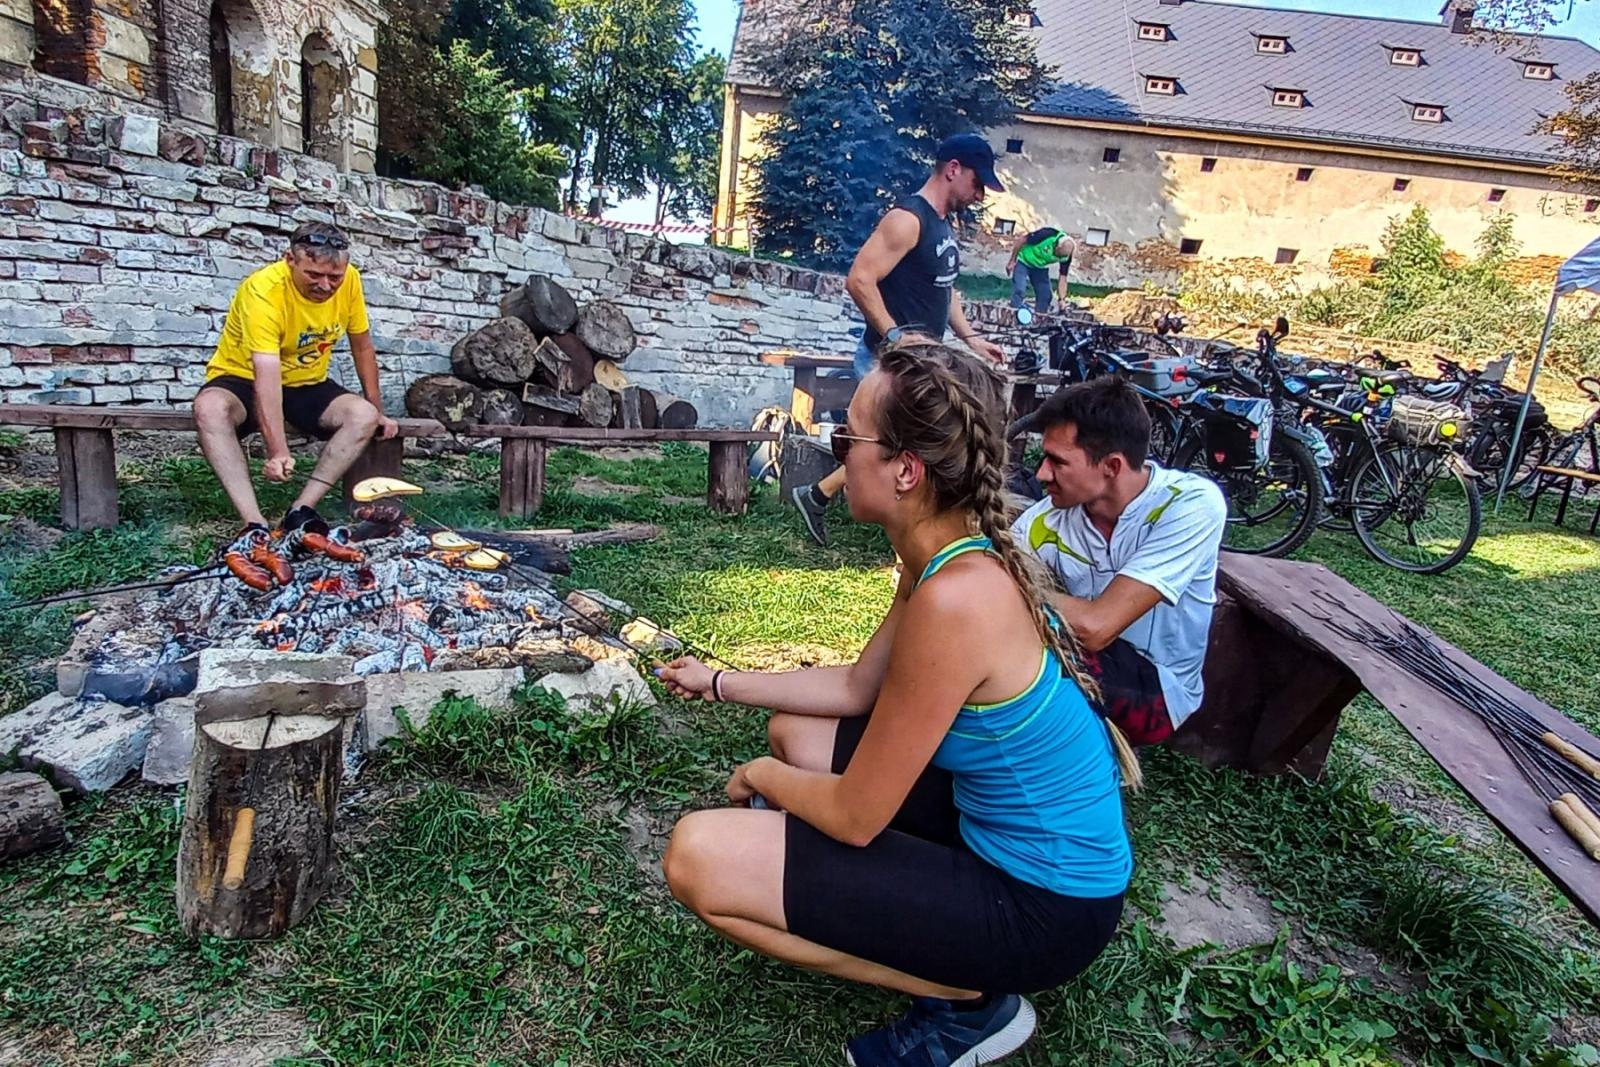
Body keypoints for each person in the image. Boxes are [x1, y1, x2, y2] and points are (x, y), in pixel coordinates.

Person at [660, 342, 1137, 1067]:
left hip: (1044, 909)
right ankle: (926, 935)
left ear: (906, 469)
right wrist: (720, 681)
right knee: (796, 731)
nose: (833, 448)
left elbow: (857, 815)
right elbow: (856, 687)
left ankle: (969, 1001)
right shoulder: (941, 554)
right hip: (1012, 843)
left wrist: (760, 775)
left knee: (696, 855)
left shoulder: (957, 599)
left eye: (848, 436)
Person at [791, 133, 1008, 547]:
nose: (980, 195)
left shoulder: (942, 225)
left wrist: (972, 339)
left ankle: (819, 496)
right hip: (886, 360)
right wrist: (895, 337)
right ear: (953, 169)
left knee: (912, 446)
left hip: (918, 360)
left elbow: (946, 289)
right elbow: (859, 279)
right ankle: (904, 541)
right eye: (978, 184)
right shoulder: (908, 219)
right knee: (903, 447)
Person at [1013, 377, 1227, 746]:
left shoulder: (1188, 503)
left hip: (1160, 691)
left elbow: (1097, 627)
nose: (1041, 474)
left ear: (1111, 466)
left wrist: (1002, 590)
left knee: (1008, 641)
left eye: (1057, 462)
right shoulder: (1044, 520)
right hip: (1087, 658)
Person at [193, 222, 398, 546]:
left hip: (306, 383)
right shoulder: (263, 289)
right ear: (290, 259)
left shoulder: (351, 281)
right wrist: (278, 451)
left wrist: (378, 409)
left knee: (363, 415)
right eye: (313, 275)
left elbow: (362, 345)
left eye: (334, 277)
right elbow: (266, 373)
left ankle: (301, 510)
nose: (325, 285)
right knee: (210, 408)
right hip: (243, 376)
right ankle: (254, 524)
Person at [1005, 226, 1074, 314]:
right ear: (1056, 246)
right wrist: (1012, 260)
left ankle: (1039, 318)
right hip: (1023, 261)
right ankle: (1013, 314)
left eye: (1061, 257)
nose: (1058, 258)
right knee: (1020, 290)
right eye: (1058, 255)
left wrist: (1062, 299)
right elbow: (1022, 240)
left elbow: (1063, 277)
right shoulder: (1047, 234)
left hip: (1039, 267)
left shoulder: (1066, 256)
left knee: (1046, 295)